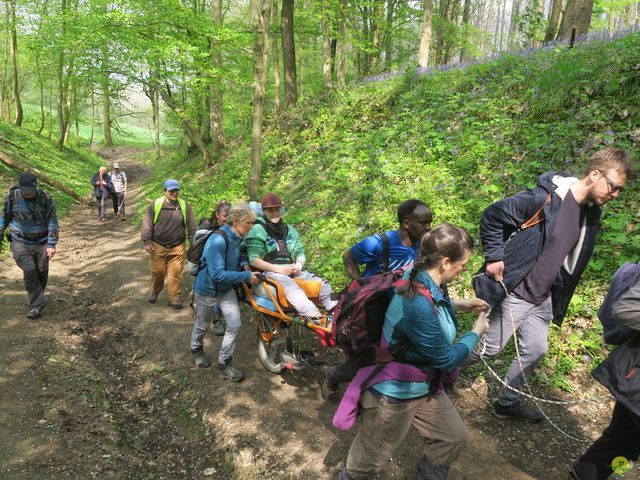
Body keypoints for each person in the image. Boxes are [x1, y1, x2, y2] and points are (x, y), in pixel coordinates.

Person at [465, 147, 637, 422]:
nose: (615, 195)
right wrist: (494, 256)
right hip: (517, 290)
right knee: (487, 348)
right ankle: (435, 371)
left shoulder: (591, 215)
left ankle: (505, 403)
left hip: (543, 296)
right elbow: (492, 216)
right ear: (595, 174)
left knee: (536, 350)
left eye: (620, 190)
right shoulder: (544, 199)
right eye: (613, 187)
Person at [338, 223, 490, 480]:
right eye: (462, 264)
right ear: (445, 262)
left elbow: (429, 304)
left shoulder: (417, 274)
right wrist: (476, 331)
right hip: (394, 392)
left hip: (424, 383)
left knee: (452, 437)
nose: (463, 269)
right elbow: (447, 358)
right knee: (366, 463)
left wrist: (460, 304)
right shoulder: (417, 300)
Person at [322, 199, 434, 400]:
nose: (428, 227)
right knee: (369, 359)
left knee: (393, 355)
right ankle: (334, 375)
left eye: (430, 222)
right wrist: (361, 285)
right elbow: (348, 256)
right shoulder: (379, 243)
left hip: (402, 311)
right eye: (423, 223)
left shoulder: (422, 246)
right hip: (373, 312)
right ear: (406, 223)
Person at [568, 277, 640, 480]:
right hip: (635, 385)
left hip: (634, 386)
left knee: (621, 446)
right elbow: (627, 310)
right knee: (619, 443)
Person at [190, 204, 260, 381]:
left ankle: (224, 365)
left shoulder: (238, 236)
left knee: (235, 324)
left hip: (226, 289)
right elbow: (217, 274)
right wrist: (246, 275)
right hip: (207, 289)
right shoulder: (218, 240)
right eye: (249, 223)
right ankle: (196, 350)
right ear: (235, 221)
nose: (251, 226)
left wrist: (244, 263)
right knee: (203, 323)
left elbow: (238, 253)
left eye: (252, 223)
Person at [245, 192, 338, 318]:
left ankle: (337, 311)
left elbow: (299, 251)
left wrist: (299, 264)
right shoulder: (257, 230)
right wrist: (279, 269)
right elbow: (254, 260)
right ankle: (314, 316)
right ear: (264, 211)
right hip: (270, 272)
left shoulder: (289, 229)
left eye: (277, 209)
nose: (275, 213)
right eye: (270, 210)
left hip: (291, 270)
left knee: (324, 284)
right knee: (292, 287)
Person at [0, 173, 58, 319]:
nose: (29, 194)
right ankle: (36, 306)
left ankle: (37, 297)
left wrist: (51, 243)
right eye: (25, 192)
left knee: (41, 271)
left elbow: (52, 219)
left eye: (31, 191)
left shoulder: (45, 197)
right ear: (20, 188)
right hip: (19, 241)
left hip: (42, 241)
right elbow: (4, 217)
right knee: (30, 269)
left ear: (35, 187)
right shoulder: (12, 197)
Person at [140, 179, 196, 309]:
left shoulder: (184, 206)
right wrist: (146, 241)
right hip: (157, 245)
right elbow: (147, 223)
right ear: (165, 191)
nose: (174, 193)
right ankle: (155, 289)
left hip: (178, 246)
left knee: (175, 273)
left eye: (176, 190)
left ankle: (174, 297)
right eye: (171, 190)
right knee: (158, 272)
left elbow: (192, 225)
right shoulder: (155, 205)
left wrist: (193, 242)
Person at [196, 200, 231, 336]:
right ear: (217, 214)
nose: (227, 219)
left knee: (220, 292)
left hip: (224, 268)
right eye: (224, 215)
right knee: (213, 293)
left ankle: (217, 319)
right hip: (207, 268)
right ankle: (213, 320)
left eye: (230, 215)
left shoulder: (231, 228)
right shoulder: (209, 228)